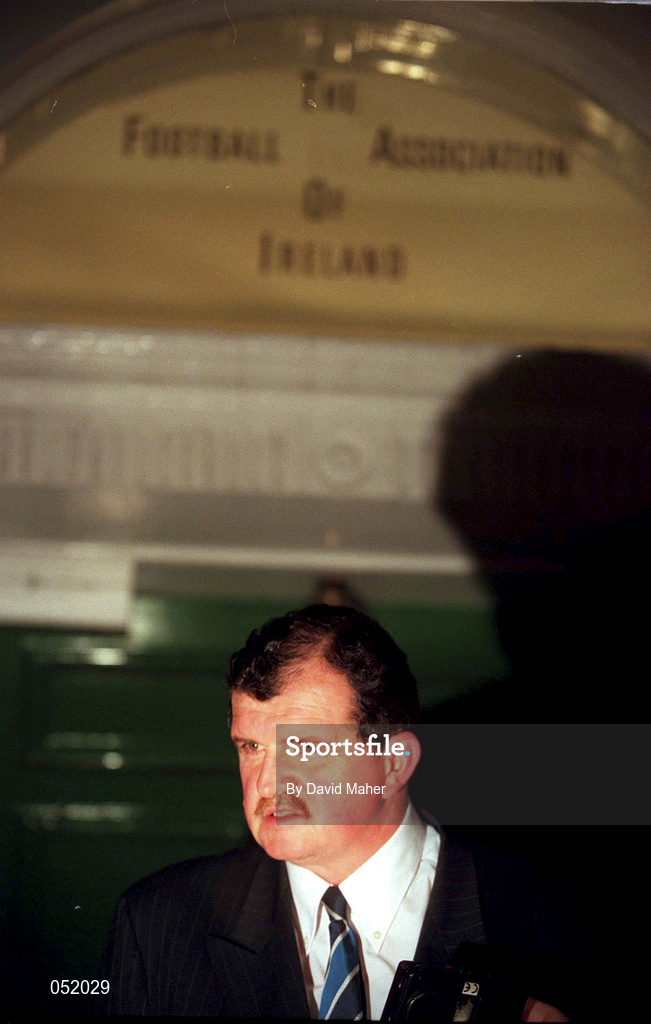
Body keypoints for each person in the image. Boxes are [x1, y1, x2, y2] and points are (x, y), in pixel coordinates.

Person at [102, 605, 592, 1019]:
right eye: (251, 746)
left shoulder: (554, 920)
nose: (267, 784)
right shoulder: (158, 922)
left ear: (395, 765)